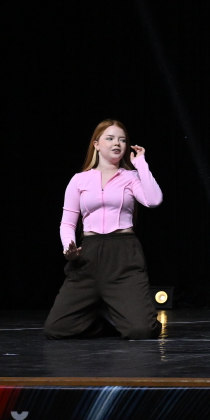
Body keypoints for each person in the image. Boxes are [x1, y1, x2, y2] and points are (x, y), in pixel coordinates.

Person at [44, 120, 162, 340]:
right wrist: (68, 248)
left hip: (123, 253)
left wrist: (141, 164)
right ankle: (104, 318)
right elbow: (67, 223)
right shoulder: (79, 180)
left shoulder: (130, 177)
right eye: (110, 138)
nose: (117, 143)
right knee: (56, 328)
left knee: (142, 331)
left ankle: (126, 317)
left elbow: (154, 200)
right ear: (96, 144)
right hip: (88, 255)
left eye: (122, 140)